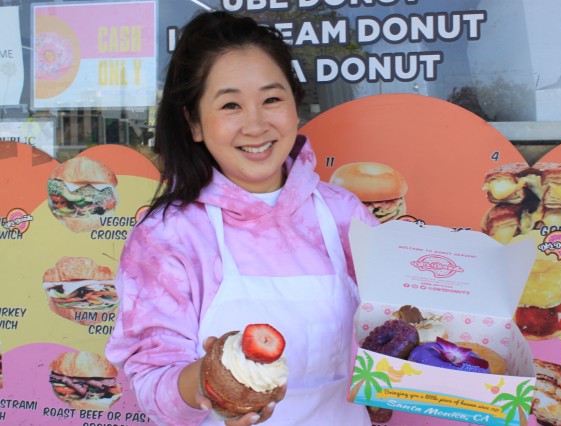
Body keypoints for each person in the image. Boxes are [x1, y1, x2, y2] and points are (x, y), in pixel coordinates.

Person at [105, 10, 378, 426]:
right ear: (194, 122)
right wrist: (212, 381)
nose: (256, 125)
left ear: (295, 107)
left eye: (271, 99)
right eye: (231, 104)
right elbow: (152, 381)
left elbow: (388, 335)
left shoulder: (345, 213)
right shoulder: (168, 236)